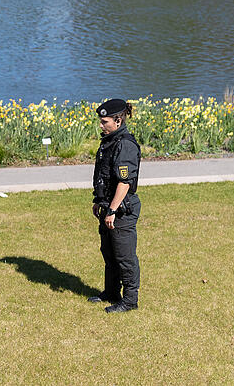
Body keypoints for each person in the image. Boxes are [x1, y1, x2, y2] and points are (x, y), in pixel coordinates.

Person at [88, 99, 142, 313]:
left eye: (105, 122)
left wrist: (112, 210)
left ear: (118, 120)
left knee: (124, 256)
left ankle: (130, 300)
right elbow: (104, 175)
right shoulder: (109, 140)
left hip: (121, 210)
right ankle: (111, 292)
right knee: (108, 253)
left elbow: (124, 181)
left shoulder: (125, 144)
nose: (101, 126)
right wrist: (98, 201)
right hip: (107, 206)